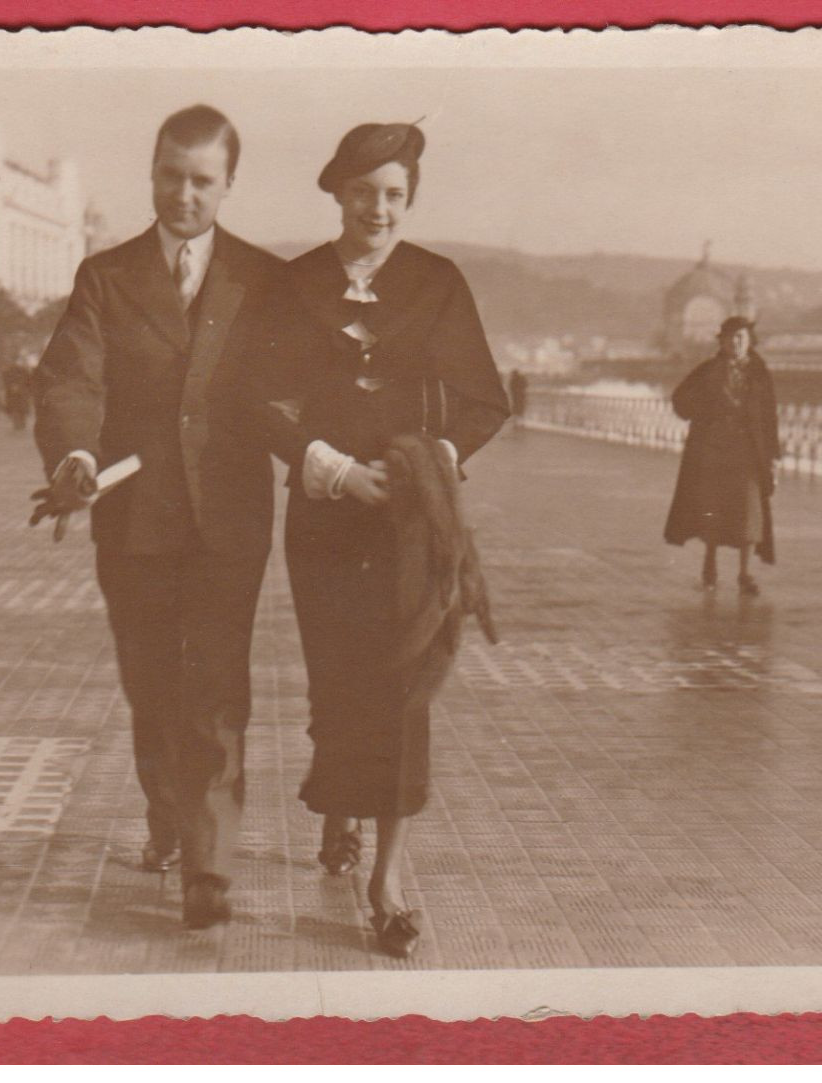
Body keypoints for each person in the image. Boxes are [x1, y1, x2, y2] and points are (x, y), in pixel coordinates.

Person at [247, 122, 509, 957]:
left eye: (394, 194)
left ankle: (386, 876)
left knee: (401, 687)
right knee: (337, 679)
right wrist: (327, 465)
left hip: (409, 519)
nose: (378, 209)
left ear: (410, 199)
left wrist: (431, 458)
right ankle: (337, 806)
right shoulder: (292, 285)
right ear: (336, 193)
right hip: (326, 510)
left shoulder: (437, 282)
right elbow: (253, 396)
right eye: (363, 192)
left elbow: (482, 401)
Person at [33, 104, 284, 930]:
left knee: (214, 687)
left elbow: (295, 388)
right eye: (170, 175)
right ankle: (169, 815)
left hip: (227, 523)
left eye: (202, 180)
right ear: (151, 174)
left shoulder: (263, 280)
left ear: (228, 185)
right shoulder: (105, 277)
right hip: (132, 518)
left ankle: (208, 868)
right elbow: (71, 379)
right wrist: (75, 458)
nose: (184, 194)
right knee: (152, 687)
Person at [662, 316, 781, 595]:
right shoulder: (708, 370)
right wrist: (703, 411)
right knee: (713, 509)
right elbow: (680, 399)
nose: (735, 343)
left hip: (750, 453)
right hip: (712, 450)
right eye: (730, 338)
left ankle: (745, 573)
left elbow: (770, 418)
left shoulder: (760, 373)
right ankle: (710, 564)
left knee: (748, 512)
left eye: (741, 337)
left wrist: (773, 456)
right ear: (722, 342)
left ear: (750, 342)